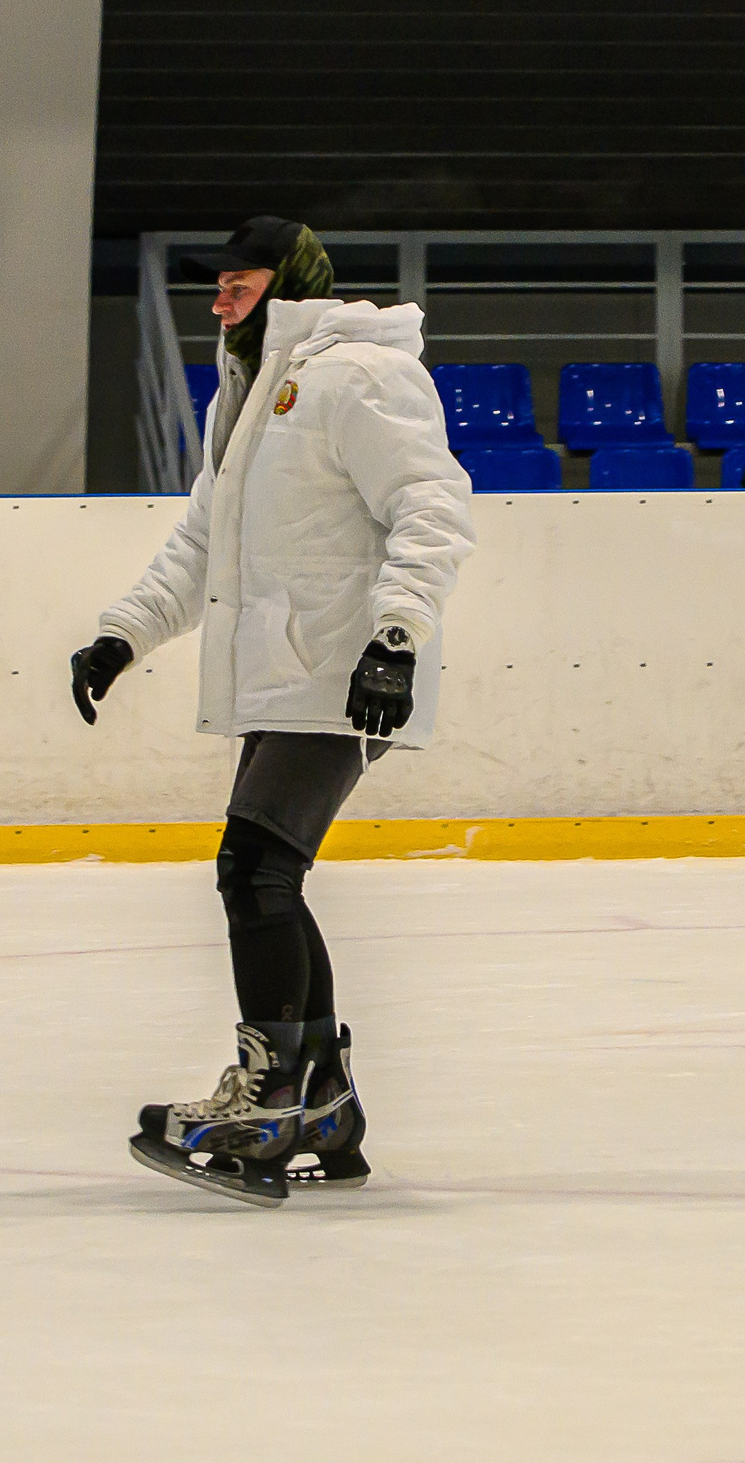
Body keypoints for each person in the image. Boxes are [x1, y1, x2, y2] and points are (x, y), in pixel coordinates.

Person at [70, 215, 476, 1208]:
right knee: (265, 871)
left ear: (289, 287)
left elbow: (432, 508)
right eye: (213, 287)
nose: (217, 302)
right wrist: (124, 632)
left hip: (345, 671)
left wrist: (394, 640)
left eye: (237, 286)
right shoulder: (252, 399)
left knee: (253, 867)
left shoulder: (358, 378)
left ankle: (274, 1095)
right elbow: (205, 539)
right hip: (283, 673)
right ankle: (322, 1104)